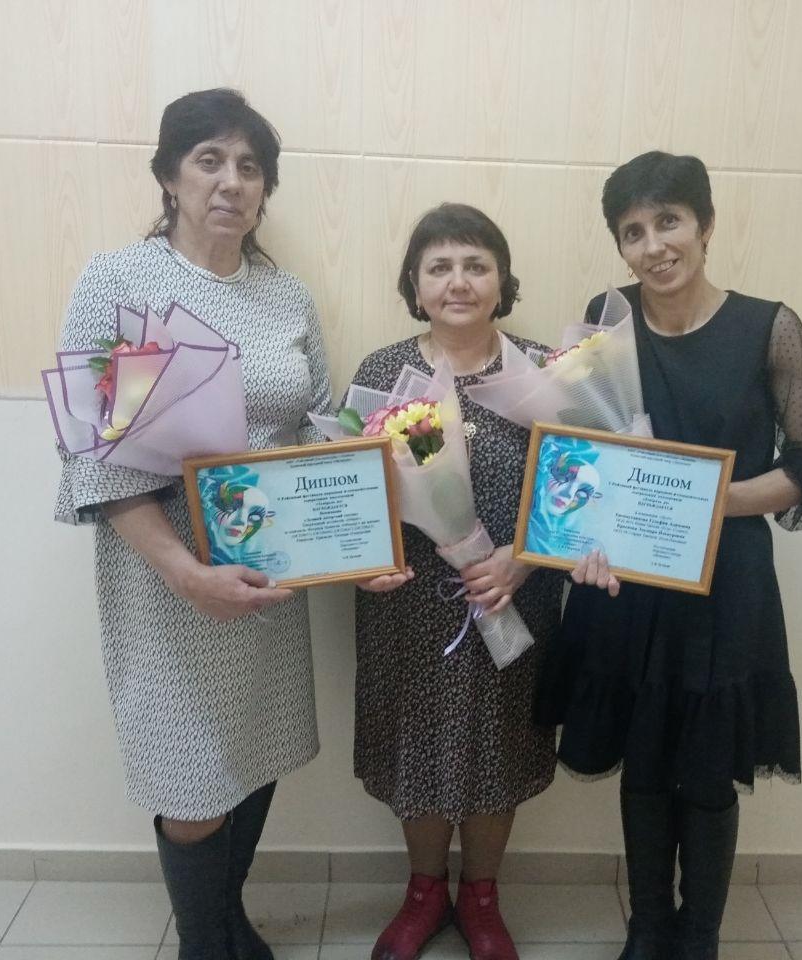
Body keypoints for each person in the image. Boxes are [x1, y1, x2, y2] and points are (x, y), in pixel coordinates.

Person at [535, 151, 802, 960]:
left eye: (668, 222)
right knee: (644, 758)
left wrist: (711, 501)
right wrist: (579, 536)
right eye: (632, 231)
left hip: (726, 578)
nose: (653, 246)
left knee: (707, 768)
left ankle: (699, 933)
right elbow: (581, 454)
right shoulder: (606, 317)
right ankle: (647, 928)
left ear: (705, 226)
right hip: (628, 578)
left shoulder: (769, 327)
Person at [53, 88, 331, 960]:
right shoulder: (119, 281)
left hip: (270, 567)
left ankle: (228, 921)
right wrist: (185, 572)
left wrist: (366, 506)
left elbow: (318, 422)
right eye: (209, 160)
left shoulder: (287, 297)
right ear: (169, 175)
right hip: (166, 580)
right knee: (191, 780)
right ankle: (205, 944)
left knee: (256, 754)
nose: (231, 181)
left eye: (250, 166)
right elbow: (91, 450)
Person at [350, 204, 563, 960]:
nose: (459, 281)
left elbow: (576, 486)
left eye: (476, 265)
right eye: (439, 267)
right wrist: (364, 559)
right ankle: (422, 894)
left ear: (502, 280)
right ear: (415, 284)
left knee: (499, 742)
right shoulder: (384, 374)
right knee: (418, 742)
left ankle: (481, 897)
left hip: (515, 595)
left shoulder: (540, 369)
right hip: (409, 605)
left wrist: (523, 561)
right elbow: (350, 491)